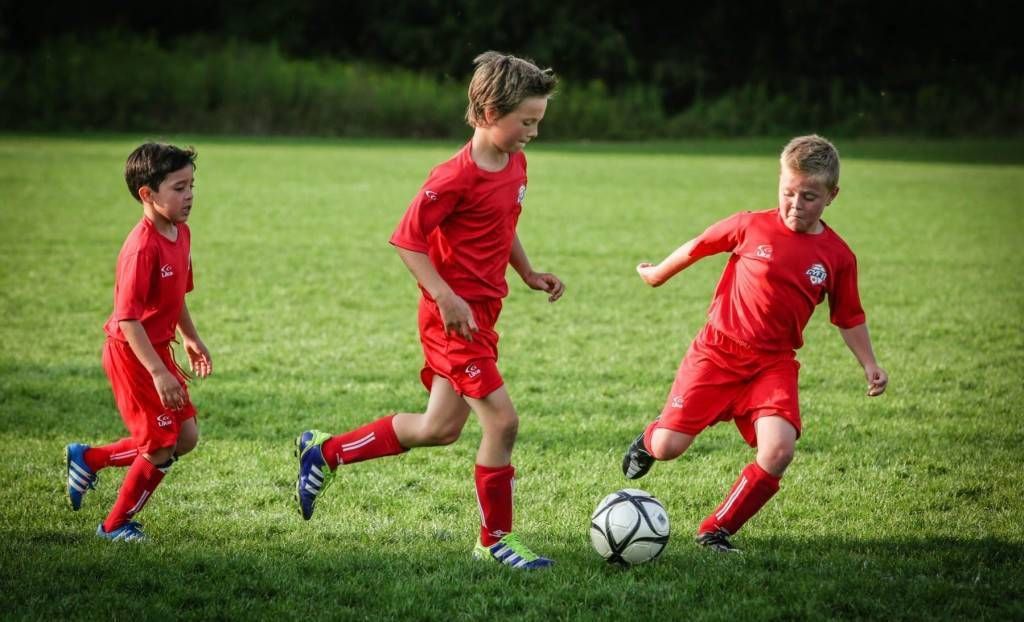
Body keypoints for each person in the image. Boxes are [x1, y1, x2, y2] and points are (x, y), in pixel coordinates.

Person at [294, 51, 563, 570]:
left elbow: (503, 225)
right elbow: (407, 241)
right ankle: (494, 540)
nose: (533, 132)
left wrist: (526, 273)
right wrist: (444, 294)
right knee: (502, 423)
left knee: (439, 428)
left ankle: (324, 453)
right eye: (525, 122)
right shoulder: (453, 177)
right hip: (453, 321)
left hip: (484, 313)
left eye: (538, 121)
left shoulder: (515, 162)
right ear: (487, 113)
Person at [622, 135, 888, 553]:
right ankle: (648, 439)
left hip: (773, 365)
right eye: (788, 192)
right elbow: (699, 246)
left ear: (832, 196)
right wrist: (657, 274)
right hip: (716, 353)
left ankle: (716, 529)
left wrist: (869, 363)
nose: (796, 204)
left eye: (809, 196)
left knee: (779, 450)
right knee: (669, 447)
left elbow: (849, 316)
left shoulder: (838, 257)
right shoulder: (751, 225)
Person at [65, 143, 212, 541]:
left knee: (185, 437)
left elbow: (177, 292)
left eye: (191, 186)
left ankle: (90, 459)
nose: (189, 197)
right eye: (179, 188)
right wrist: (159, 372)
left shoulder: (180, 232)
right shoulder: (141, 247)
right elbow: (127, 318)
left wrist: (191, 337)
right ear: (147, 194)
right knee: (161, 446)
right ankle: (114, 526)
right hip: (133, 355)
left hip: (158, 350)